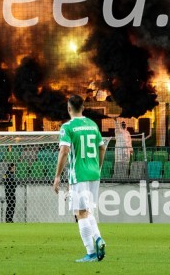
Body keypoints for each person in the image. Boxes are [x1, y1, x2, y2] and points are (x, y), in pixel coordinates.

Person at [53, 95, 106, 263]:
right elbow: (102, 148)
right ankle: (97, 242)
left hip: (79, 174)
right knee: (87, 211)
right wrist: (97, 167)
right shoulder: (92, 124)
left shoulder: (67, 127)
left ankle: (93, 248)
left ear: (69, 108)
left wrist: (57, 176)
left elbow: (64, 151)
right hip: (94, 174)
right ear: (83, 108)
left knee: (79, 213)